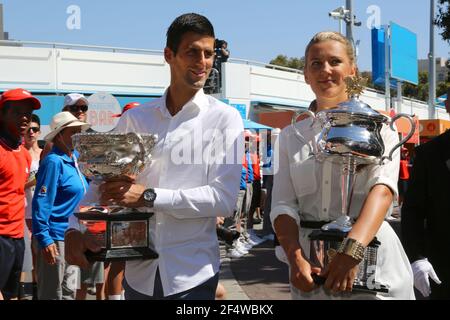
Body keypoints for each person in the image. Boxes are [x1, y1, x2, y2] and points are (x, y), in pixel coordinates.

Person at [65, 13, 243, 300]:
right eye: (192, 52)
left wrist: (148, 196)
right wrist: (73, 228)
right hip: (139, 275)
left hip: (192, 276)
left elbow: (224, 199)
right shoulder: (136, 119)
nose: (203, 62)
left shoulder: (227, 119)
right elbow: (102, 184)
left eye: (209, 54)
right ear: (168, 55)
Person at [270, 31, 414, 300]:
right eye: (316, 63)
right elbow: (282, 205)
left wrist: (352, 251)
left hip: (373, 260)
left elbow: (383, 191)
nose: (325, 70)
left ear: (352, 70)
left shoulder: (381, 130)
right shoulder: (292, 135)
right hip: (311, 269)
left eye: (334, 61)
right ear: (305, 74)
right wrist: (294, 256)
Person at [32, 111, 90, 300]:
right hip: (55, 238)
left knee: (68, 294)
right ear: (59, 136)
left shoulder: (75, 160)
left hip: (72, 238)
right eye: (73, 132)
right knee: (52, 295)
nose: (77, 136)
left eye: (78, 131)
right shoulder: (53, 161)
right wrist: (45, 239)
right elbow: (42, 202)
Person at [0, 88, 41, 300]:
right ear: (2, 114)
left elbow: (16, 188)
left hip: (18, 234)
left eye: (28, 113)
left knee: (12, 293)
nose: (25, 118)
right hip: (1, 235)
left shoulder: (24, 154)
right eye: (17, 112)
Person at [401, 128, 450, 299]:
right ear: (448, 105)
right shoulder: (430, 152)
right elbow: (412, 211)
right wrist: (416, 257)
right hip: (444, 265)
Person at [20, 114, 42, 300]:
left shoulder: (45, 153)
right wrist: (35, 180)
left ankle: (36, 291)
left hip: (42, 213)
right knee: (25, 257)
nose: (31, 133)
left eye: (34, 129)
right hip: (25, 213)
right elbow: (15, 185)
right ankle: (21, 292)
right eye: (28, 130)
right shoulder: (19, 153)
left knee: (40, 256)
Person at [41, 93, 89, 160]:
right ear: (64, 111)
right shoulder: (55, 141)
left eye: (84, 108)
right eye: (74, 108)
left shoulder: (86, 137)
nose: (80, 111)